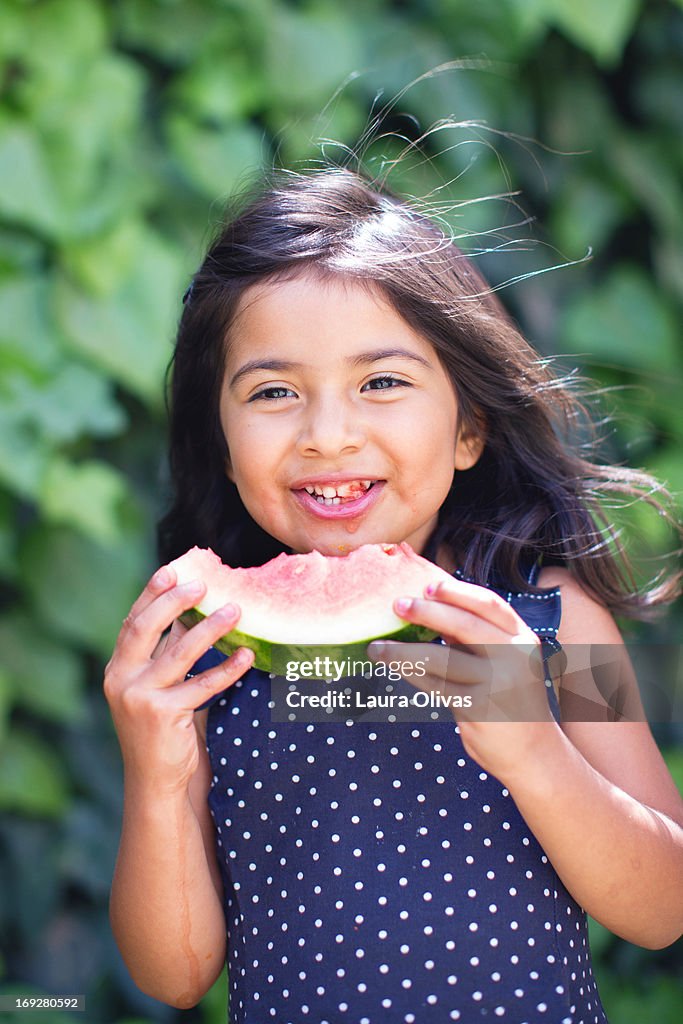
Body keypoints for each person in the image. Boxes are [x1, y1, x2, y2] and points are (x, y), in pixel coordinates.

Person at [104, 167, 683, 1023]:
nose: (328, 436)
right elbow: (176, 975)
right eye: (273, 392)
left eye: (381, 382)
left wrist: (538, 755)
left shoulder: (554, 621)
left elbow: (664, 908)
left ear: (467, 427)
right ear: (220, 444)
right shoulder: (204, 657)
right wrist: (155, 775)